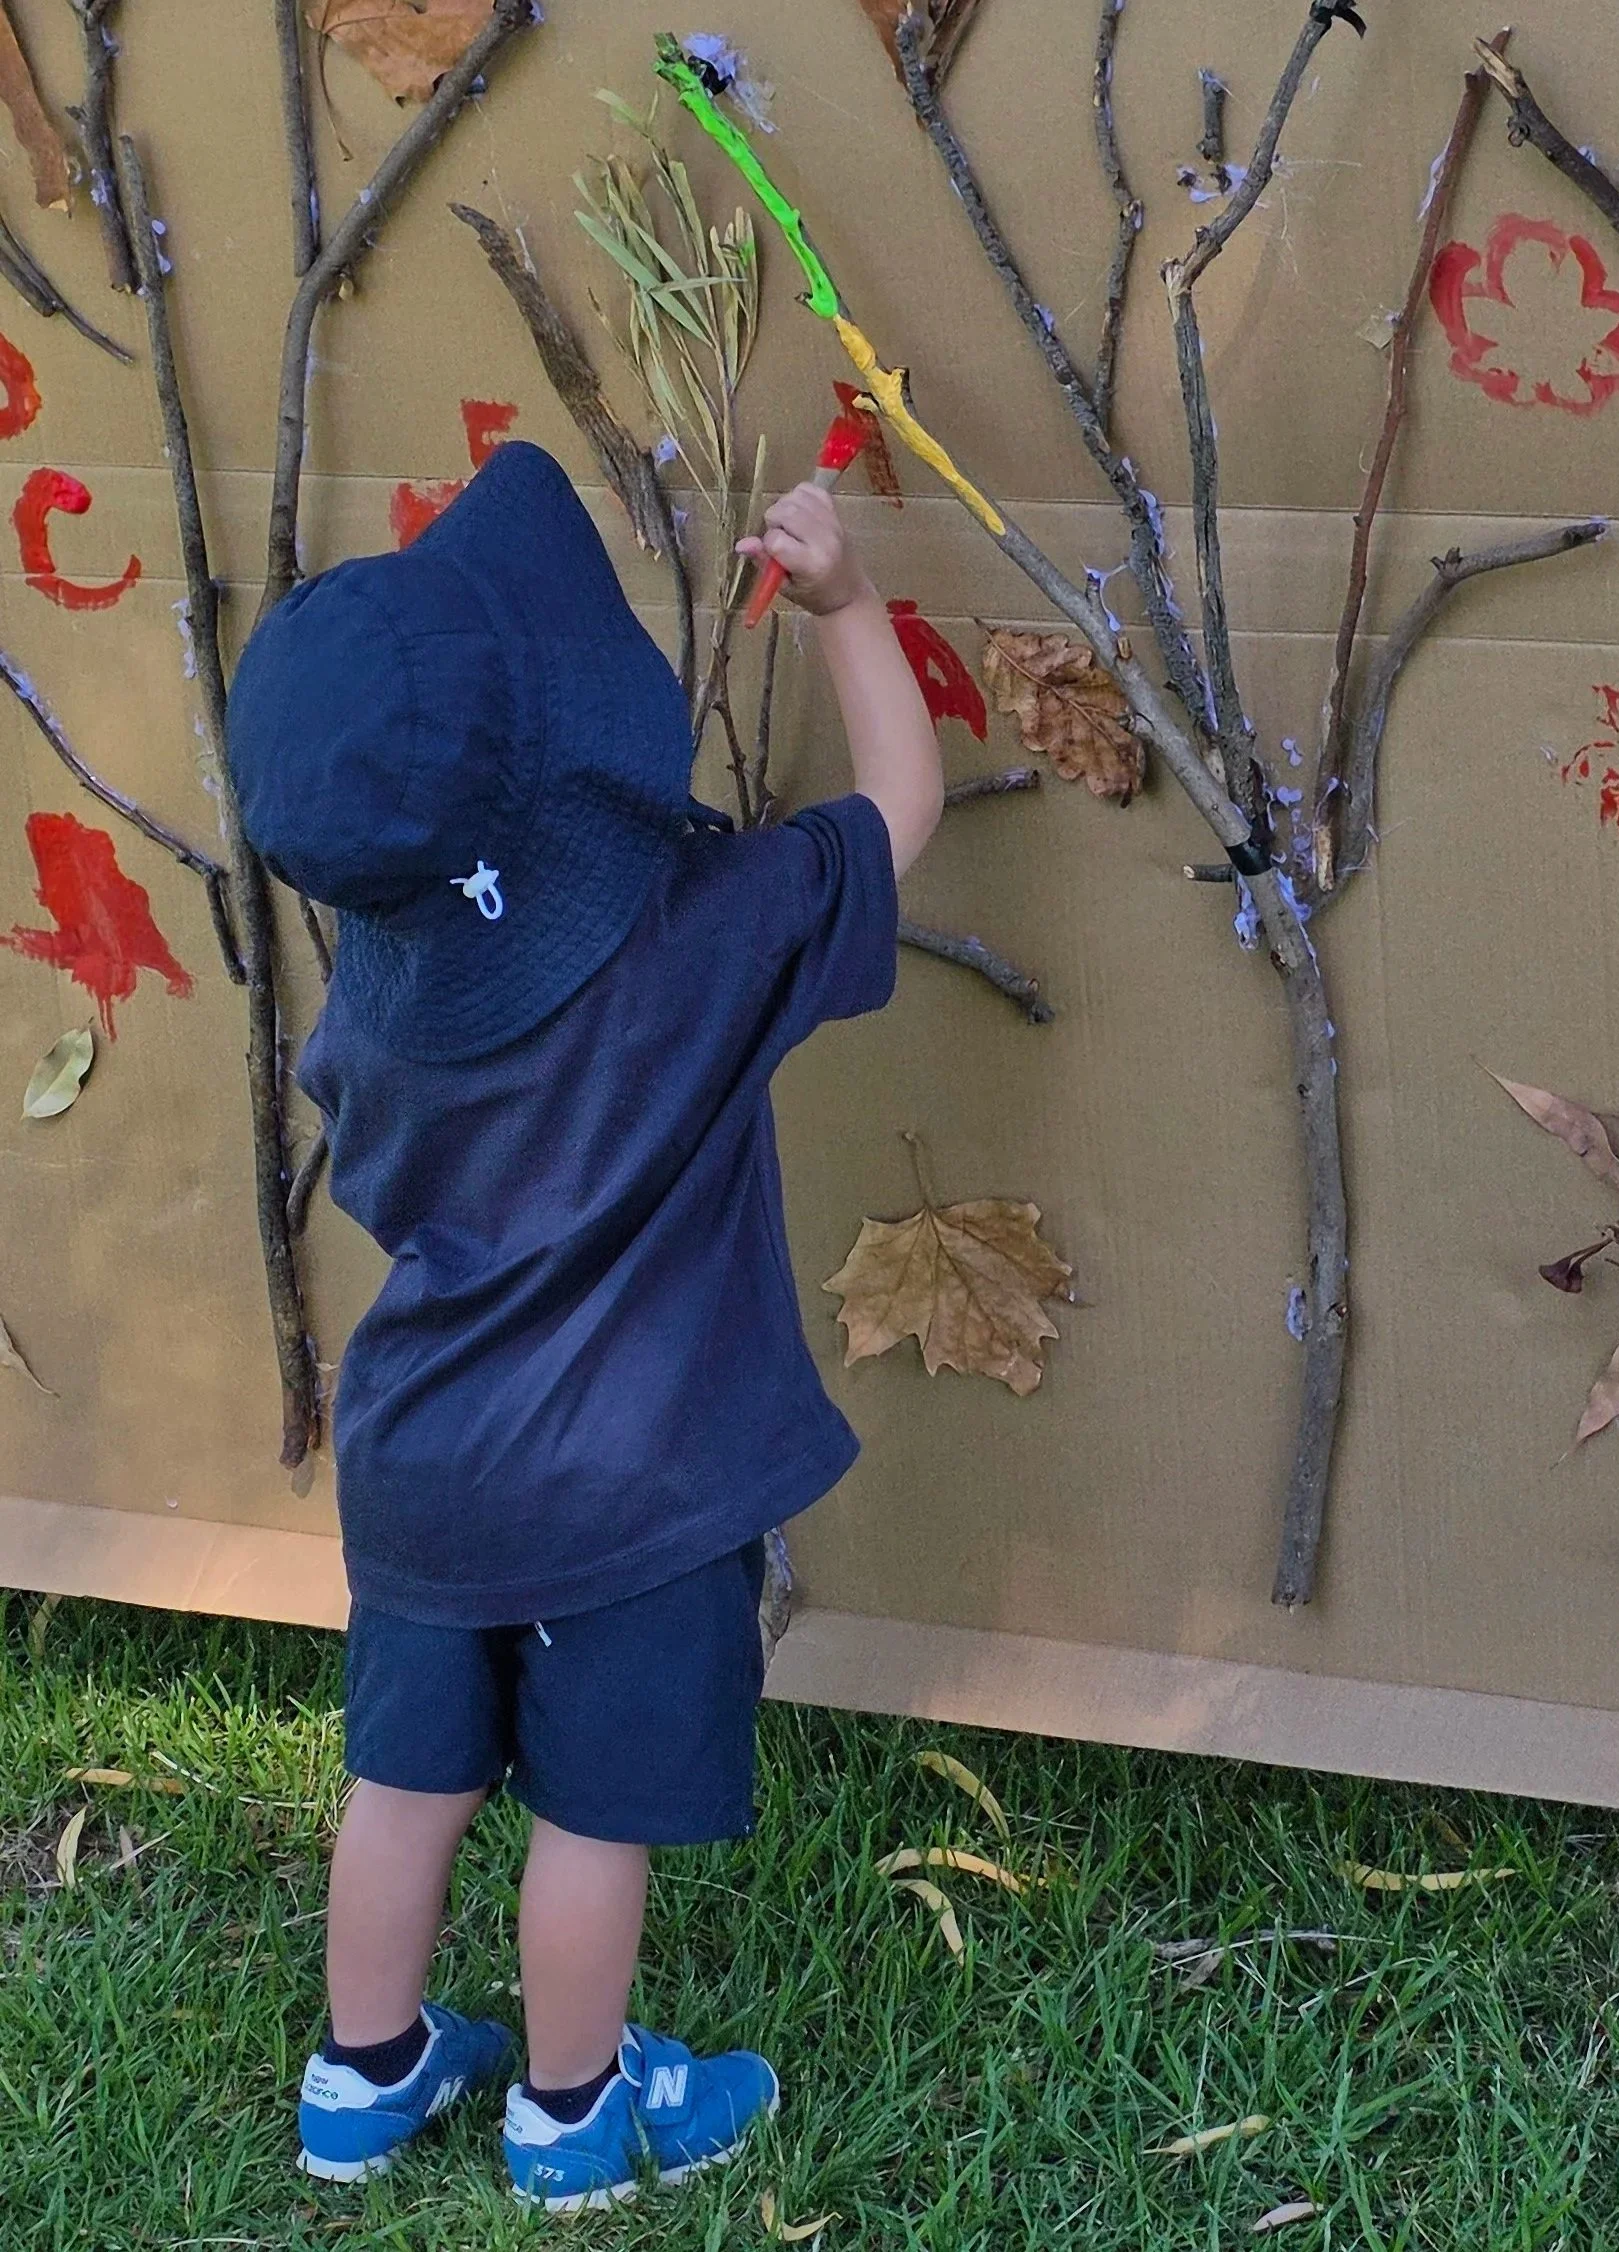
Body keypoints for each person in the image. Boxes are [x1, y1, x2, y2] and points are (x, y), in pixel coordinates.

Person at [226, 440, 942, 2211]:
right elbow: (897, 809)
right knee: (586, 1816)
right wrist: (847, 602)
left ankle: (362, 2080)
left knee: (405, 1780)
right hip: (630, 1496)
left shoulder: (375, 1014)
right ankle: (570, 2117)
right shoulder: (711, 935)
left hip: (420, 1472)